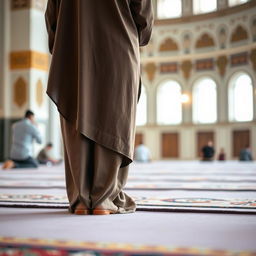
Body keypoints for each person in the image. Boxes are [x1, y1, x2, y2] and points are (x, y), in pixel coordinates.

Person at [45, 1, 153, 215]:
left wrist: (69, 39)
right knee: (113, 118)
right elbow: (144, 18)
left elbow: (52, 18)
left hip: (73, 50)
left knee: (77, 116)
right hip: (118, 50)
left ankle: (81, 199)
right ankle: (104, 199)